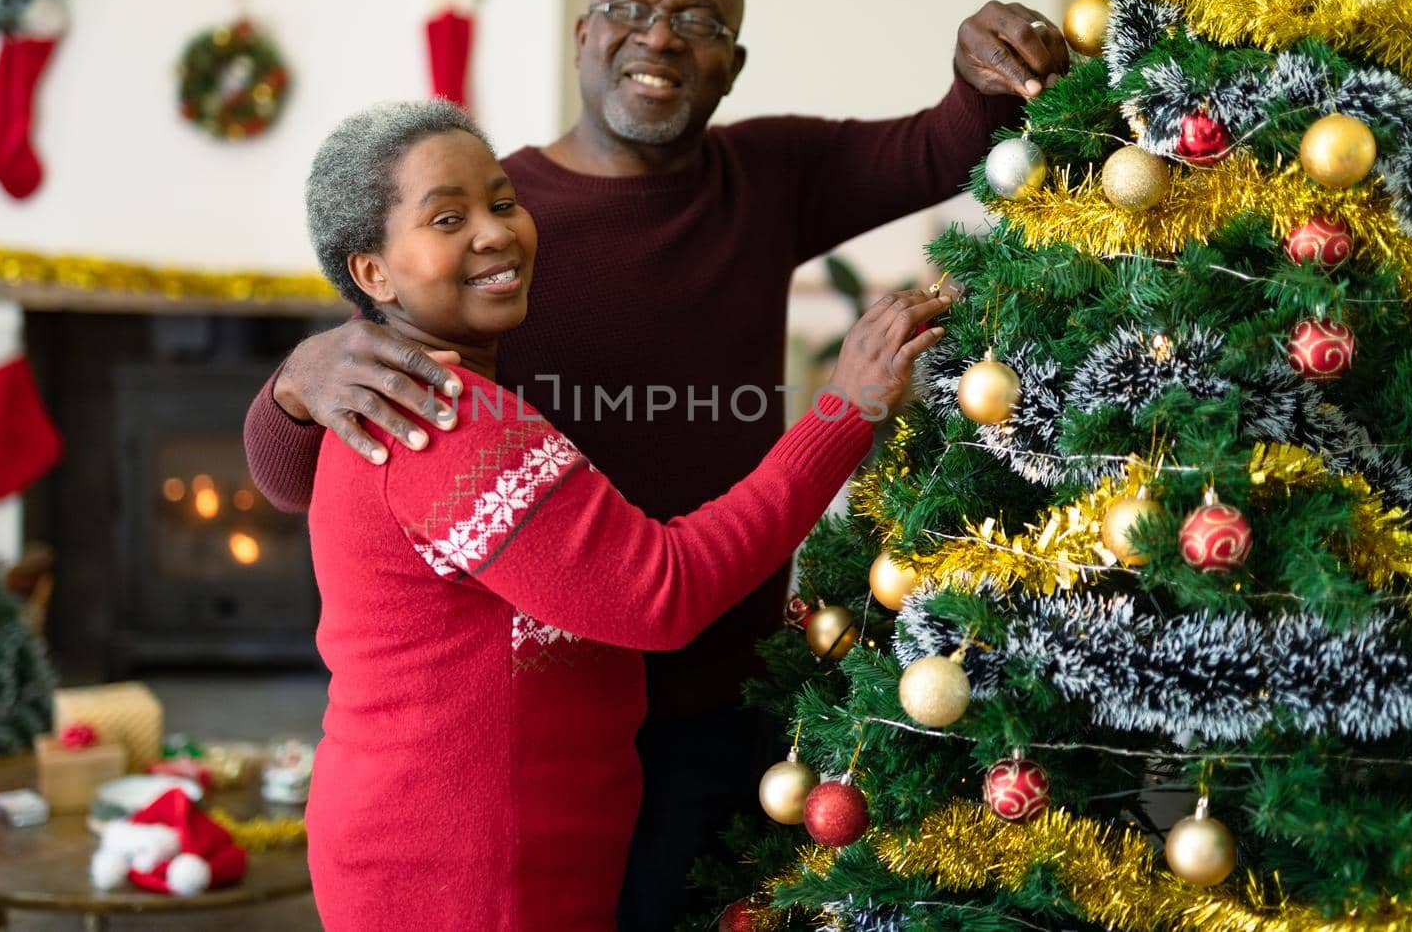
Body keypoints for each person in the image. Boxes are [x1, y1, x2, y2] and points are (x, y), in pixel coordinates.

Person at [245, 0, 1067, 928]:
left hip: (714, 694)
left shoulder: (762, 176)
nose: (660, 37)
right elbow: (320, 473)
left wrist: (983, 67)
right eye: (631, 8)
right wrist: (292, 379)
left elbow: (942, 139)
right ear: (584, 33)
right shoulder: (463, 261)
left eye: (698, 20)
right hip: (537, 710)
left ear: (733, 63)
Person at [301, 98, 950, 929]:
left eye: (502, 202)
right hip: (465, 873)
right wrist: (842, 411)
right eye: (447, 217)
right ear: (374, 274)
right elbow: (658, 592)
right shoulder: (446, 418)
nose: (496, 232)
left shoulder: (432, 394)